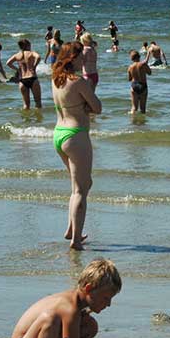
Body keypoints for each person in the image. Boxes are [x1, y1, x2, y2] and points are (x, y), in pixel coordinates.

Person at [51, 42, 101, 250]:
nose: (84, 60)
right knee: (81, 188)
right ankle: (76, 240)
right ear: (73, 57)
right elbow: (97, 108)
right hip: (76, 134)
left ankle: (72, 229)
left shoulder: (55, 79)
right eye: (81, 56)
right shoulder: (78, 81)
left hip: (59, 134)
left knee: (79, 185)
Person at [6, 39, 42, 109]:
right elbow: (38, 57)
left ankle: (26, 119)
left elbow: (8, 63)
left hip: (22, 80)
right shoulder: (31, 53)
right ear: (28, 45)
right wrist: (34, 66)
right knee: (38, 102)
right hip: (32, 78)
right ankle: (38, 119)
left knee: (26, 105)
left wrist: (17, 69)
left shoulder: (17, 55)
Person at [127, 50, 152, 114]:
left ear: (132, 58)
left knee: (134, 108)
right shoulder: (143, 64)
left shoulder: (130, 67)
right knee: (143, 109)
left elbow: (129, 79)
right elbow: (149, 73)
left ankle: (133, 122)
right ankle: (142, 123)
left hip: (134, 86)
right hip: (143, 85)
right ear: (139, 56)